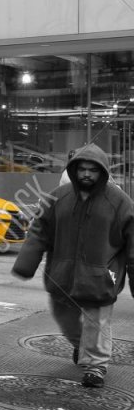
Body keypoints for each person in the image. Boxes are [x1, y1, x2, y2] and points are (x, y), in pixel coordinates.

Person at [12, 144, 134, 388]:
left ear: (103, 172)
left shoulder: (119, 201)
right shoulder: (59, 196)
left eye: (93, 170)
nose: (87, 174)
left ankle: (96, 367)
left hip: (101, 278)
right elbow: (39, 231)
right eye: (82, 169)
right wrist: (27, 263)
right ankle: (80, 345)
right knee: (64, 318)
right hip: (62, 276)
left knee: (97, 322)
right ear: (74, 170)